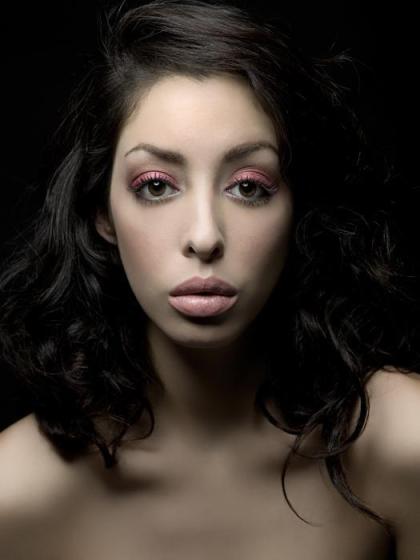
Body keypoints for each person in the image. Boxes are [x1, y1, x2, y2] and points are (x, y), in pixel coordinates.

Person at [0, 0, 419, 558]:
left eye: (248, 186)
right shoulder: (16, 493)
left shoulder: (401, 442)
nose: (204, 236)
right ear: (102, 212)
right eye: (156, 185)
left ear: (297, 208)